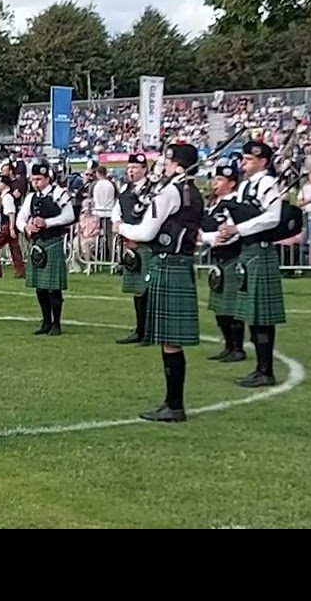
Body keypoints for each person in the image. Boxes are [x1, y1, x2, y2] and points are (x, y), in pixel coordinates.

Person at [115, 143, 204, 423]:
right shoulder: (194, 193)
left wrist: (121, 228)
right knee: (171, 340)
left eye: (167, 162)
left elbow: (146, 230)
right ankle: (172, 403)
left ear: (178, 165)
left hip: (168, 263)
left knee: (170, 342)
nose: (162, 167)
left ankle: (174, 405)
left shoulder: (170, 192)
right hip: (181, 263)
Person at [215, 141, 286, 388]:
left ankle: (266, 370)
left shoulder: (268, 184)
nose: (243, 164)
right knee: (253, 316)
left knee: (262, 316)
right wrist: (228, 232)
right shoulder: (246, 186)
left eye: (249, 160)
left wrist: (238, 228)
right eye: (243, 159)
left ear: (262, 162)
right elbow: (241, 219)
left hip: (261, 250)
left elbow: (271, 218)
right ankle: (260, 368)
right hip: (247, 249)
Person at [17, 164, 75, 335]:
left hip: (53, 242)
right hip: (38, 245)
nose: (36, 183)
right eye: (33, 179)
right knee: (40, 288)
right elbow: (20, 218)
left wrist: (47, 223)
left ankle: (56, 323)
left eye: (39, 179)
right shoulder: (31, 197)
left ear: (47, 178)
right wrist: (26, 227)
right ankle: (46, 322)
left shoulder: (59, 194)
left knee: (53, 287)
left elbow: (70, 216)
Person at [200, 163, 246, 363]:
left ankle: (237, 348)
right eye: (215, 179)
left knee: (232, 308)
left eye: (220, 180)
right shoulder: (214, 204)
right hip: (219, 260)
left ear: (232, 183)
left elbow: (230, 233)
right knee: (220, 310)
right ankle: (228, 346)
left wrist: (205, 237)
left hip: (232, 258)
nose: (214, 183)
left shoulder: (235, 204)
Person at [115, 153, 152, 345]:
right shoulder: (125, 189)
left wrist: (135, 236)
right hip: (130, 243)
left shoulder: (152, 189)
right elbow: (117, 213)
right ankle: (140, 329)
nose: (131, 171)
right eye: (129, 168)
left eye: (135, 167)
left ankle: (149, 331)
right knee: (138, 291)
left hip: (146, 245)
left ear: (144, 169)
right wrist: (123, 231)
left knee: (148, 291)